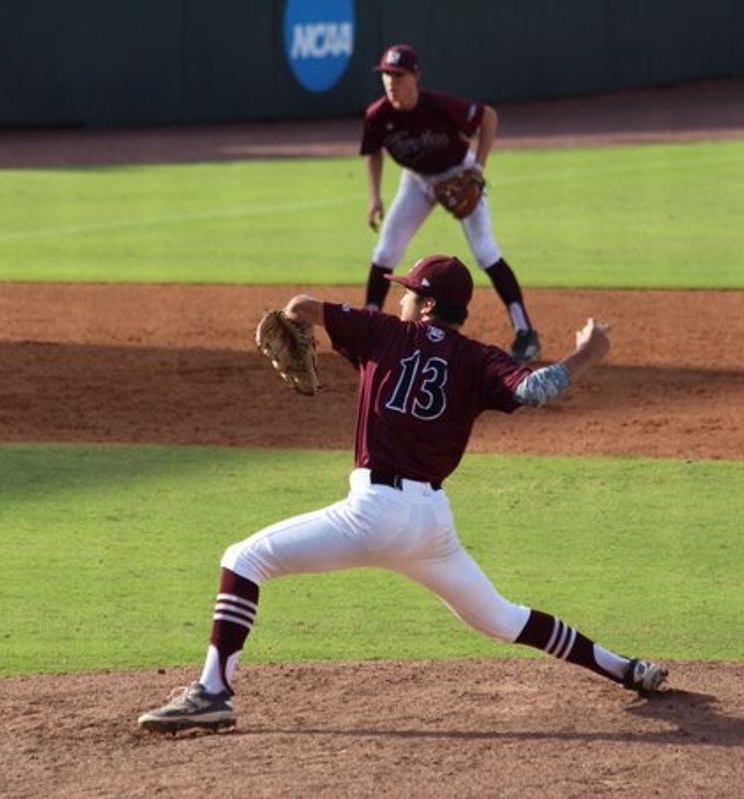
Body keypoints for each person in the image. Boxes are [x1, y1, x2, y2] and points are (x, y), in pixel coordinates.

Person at [137, 254, 668, 735]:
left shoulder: (382, 332)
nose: (401, 298)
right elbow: (534, 390)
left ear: (428, 304)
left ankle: (213, 693)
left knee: (243, 559)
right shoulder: (477, 358)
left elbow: (300, 305)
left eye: (408, 291)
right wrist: (587, 355)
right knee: (502, 619)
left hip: (372, 515)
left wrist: (304, 324)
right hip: (431, 527)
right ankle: (627, 669)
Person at [360, 43, 541, 364]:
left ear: (416, 76)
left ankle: (525, 332)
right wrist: (374, 195)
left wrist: (477, 169)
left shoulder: (437, 105)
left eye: (398, 74)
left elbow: (489, 117)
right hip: (417, 180)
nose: (391, 81)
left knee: (485, 251)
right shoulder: (378, 115)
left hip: (458, 172)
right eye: (386, 74)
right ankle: (367, 326)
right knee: (386, 251)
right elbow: (373, 151)